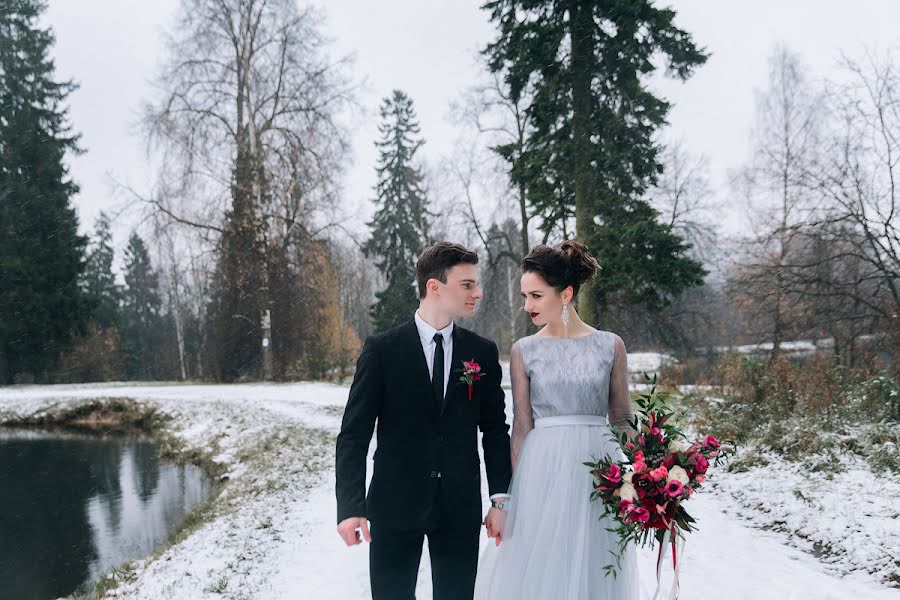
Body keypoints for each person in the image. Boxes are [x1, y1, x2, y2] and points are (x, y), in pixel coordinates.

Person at [335, 241, 513, 600]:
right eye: (467, 284)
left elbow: (495, 430)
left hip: (459, 508)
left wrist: (500, 501)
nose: (477, 293)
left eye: (476, 284)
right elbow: (353, 434)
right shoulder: (382, 350)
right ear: (434, 286)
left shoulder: (482, 352)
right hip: (393, 505)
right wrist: (350, 507)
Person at [474, 240, 640, 599]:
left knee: (594, 568)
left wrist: (654, 468)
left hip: (599, 474)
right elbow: (521, 428)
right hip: (542, 475)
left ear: (565, 294)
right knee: (543, 571)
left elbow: (622, 418)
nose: (526, 306)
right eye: (524, 296)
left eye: (535, 296)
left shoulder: (611, 345)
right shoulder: (524, 350)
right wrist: (507, 500)